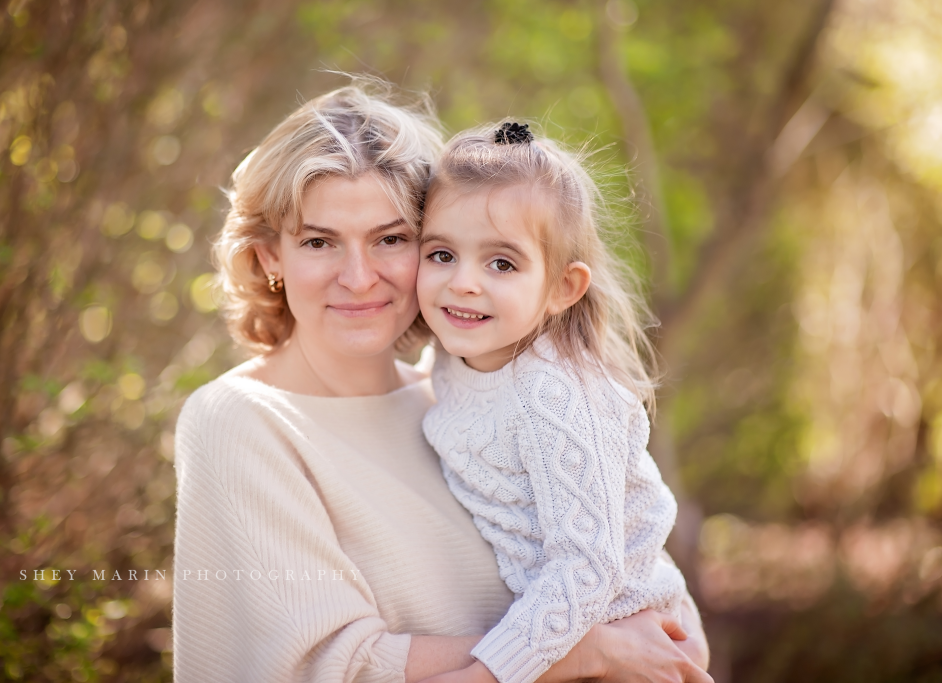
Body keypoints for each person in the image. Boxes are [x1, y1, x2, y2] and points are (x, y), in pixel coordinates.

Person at [171, 78, 712, 683]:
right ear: (271, 257)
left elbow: (652, 603)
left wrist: (635, 640)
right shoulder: (240, 421)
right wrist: (587, 653)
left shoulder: (462, 394)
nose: (358, 277)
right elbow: (331, 668)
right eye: (319, 241)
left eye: (392, 240)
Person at [416, 122, 686, 683]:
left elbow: (585, 568)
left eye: (502, 264)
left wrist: (483, 676)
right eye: (441, 254)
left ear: (563, 288)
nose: (463, 282)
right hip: (553, 632)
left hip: (621, 628)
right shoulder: (450, 355)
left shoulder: (552, 393)